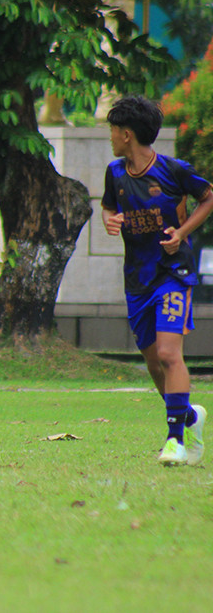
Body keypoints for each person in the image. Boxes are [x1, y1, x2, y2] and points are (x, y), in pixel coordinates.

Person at [101, 95, 213, 466]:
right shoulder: (115, 173)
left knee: (169, 354)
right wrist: (109, 220)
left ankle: (175, 441)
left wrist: (181, 233)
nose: (112, 136)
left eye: (114, 130)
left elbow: (208, 197)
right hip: (137, 279)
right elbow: (108, 206)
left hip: (173, 274)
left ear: (127, 134)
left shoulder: (173, 169)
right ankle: (191, 417)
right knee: (152, 362)